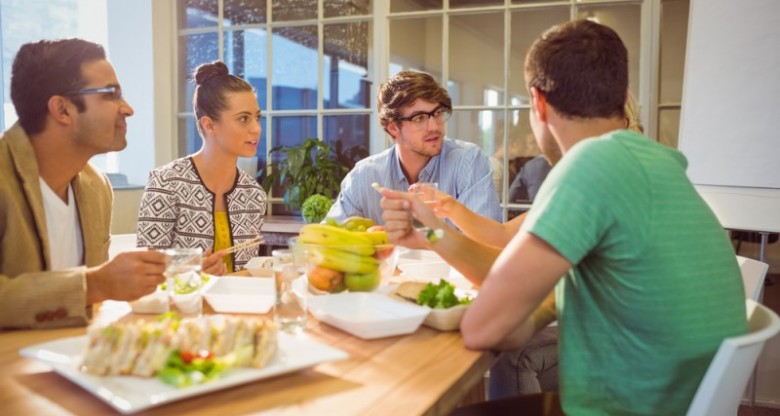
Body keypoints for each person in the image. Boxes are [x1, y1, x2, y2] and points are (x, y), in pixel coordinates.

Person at [380, 20, 746, 414]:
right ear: (620, 94)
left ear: (538, 102)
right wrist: (432, 235)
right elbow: (516, 293)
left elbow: (481, 327)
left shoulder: (591, 165)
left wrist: (508, 307)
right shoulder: (658, 164)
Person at [0, 39, 168, 329]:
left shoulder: (96, 187)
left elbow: (92, 305)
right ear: (62, 109)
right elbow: (94, 287)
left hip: (71, 364)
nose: (128, 109)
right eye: (111, 94)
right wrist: (94, 284)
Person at [136, 61, 267, 274]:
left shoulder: (254, 195)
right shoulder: (166, 184)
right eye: (243, 118)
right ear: (209, 125)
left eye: (257, 117)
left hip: (238, 305)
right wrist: (191, 272)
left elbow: (244, 273)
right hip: (180, 306)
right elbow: (146, 271)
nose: (256, 128)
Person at [325, 70, 501, 224]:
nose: (434, 126)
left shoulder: (467, 162)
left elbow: (487, 245)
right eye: (419, 118)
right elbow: (326, 239)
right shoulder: (365, 176)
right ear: (393, 127)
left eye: (437, 113)